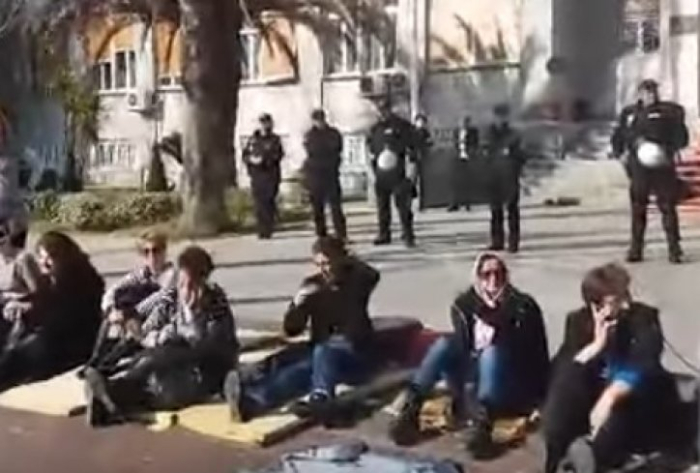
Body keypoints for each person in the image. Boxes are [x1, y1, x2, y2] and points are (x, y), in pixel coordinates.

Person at [389, 252, 549, 457]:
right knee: (445, 343)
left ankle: (483, 428)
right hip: (473, 379)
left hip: (511, 383)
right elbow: (462, 347)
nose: (493, 279)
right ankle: (411, 407)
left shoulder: (523, 307)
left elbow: (532, 354)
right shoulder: (464, 305)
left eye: (499, 273)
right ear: (477, 277)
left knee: (492, 351)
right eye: (486, 274)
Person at [224, 236, 380, 423]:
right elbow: (292, 330)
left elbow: (372, 275)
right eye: (319, 264)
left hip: (354, 351)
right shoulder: (313, 285)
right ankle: (247, 390)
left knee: (309, 364)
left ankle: (312, 398)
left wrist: (348, 260)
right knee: (289, 359)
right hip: (320, 349)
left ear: (340, 259)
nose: (325, 269)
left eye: (328, 263)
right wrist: (297, 304)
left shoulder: (356, 281)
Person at [82, 245, 238, 426]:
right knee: (151, 366)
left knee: (164, 378)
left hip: (208, 369)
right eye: (181, 285)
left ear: (204, 283)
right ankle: (107, 397)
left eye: (191, 286)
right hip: (173, 365)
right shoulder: (172, 297)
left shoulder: (217, 302)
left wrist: (192, 319)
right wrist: (145, 331)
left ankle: (108, 399)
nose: (185, 292)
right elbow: (145, 325)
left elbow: (211, 346)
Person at [542, 263, 672, 473]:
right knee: (562, 396)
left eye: (626, 295)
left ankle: (594, 453)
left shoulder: (643, 317)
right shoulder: (577, 321)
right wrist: (595, 346)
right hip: (590, 397)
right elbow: (565, 368)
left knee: (615, 417)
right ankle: (557, 455)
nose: (626, 305)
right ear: (596, 307)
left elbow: (646, 362)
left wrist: (611, 395)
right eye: (617, 300)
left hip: (631, 399)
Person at [0, 231, 104, 391]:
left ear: (64, 257)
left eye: (50, 257)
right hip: (54, 335)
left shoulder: (79, 281)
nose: (44, 262)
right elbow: (41, 300)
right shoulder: (52, 278)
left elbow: (58, 313)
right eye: (41, 257)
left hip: (72, 342)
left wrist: (28, 310)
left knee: (18, 356)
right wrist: (19, 304)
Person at [611, 79, 688, 264]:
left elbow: (681, 136)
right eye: (646, 92)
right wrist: (620, 154)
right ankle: (636, 249)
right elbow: (619, 136)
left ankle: (674, 249)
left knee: (667, 207)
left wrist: (669, 149)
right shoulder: (630, 114)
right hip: (639, 167)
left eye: (653, 92)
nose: (650, 96)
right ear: (640, 94)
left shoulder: (669, 112)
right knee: (638, 208)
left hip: (663, 166)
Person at [85, 230, 177, 372]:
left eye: (156, 250)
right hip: (138, 317)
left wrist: (130, 312)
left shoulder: (171, 274)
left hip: (160, 319)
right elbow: (114, 289)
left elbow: (160, 297)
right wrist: (111, 309)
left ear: (164, 252)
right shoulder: (143, 273)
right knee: (109, 317)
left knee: (132, 321)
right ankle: (95, 360)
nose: (152, 256)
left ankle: (108, 364)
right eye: (146, 252)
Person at [367, 98, 418, 248]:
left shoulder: (402, 126)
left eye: (385, 109)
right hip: (381, 174)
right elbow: (371, 151)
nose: (382, 113)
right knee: (382, 206)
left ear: (390, 109)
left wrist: (412, 172)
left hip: (399, 173)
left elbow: (412, 149)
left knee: (403, 207)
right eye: (380, 110)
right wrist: (372, 173)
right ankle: (384, 234)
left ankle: (408, 235)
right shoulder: (375, 128)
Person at [485, 104, 525, 253]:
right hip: (493, 176)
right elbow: (485, 152)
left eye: (503, 116)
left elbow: (522, 155)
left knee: (512, 209)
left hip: (510, 176)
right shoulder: (489, 134)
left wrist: (515, 162)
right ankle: (497, 240)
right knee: (495, 210)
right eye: (498, 116)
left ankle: (513, 242)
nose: (500, 119)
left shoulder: (514, 134)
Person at [302, 109, 347, 240]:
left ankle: (341, 233)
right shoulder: (310, 135)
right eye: (316, 120)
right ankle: (321, 234)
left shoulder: (333, 133)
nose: (319, 122)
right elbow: (311, 151)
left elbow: (337, 148)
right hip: (315, 174)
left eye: (321, 119)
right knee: (317, 207)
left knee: (335, 206)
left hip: (330, 173)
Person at [242, 113, 284, 239]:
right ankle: (261, 229)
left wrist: (264, 160)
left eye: (267, 123)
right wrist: (251, 160)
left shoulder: (274, 139)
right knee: (259, 203)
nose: (264, 125)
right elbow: (245, 155)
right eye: (262, 123)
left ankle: (269, 227)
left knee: (269, 201)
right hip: (257, 175)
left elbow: (278, 155)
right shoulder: (252, 140)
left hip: (271, 175)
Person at [448, 116, 479, 212]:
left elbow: (475, 144)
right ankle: (454, 203)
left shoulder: (473, 132)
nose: (463, 124)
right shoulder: (456, 132)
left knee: (467, 182)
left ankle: (467, 203)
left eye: (465, 123)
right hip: (458, 158)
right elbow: (454, 143)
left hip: (468, 158)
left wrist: (471, 153)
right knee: (455, 182)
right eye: (461, 122)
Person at [413, 114, 434, 211]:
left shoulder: (425, 132)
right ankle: (412, 202)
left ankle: (421, 204)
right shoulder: (412, 131)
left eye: (423, 122)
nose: (421, 123)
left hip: (423, 158)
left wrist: (427, 144)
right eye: (419, 121)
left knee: (422, 182)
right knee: (413, 180)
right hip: (413, 159)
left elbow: (430, 142)